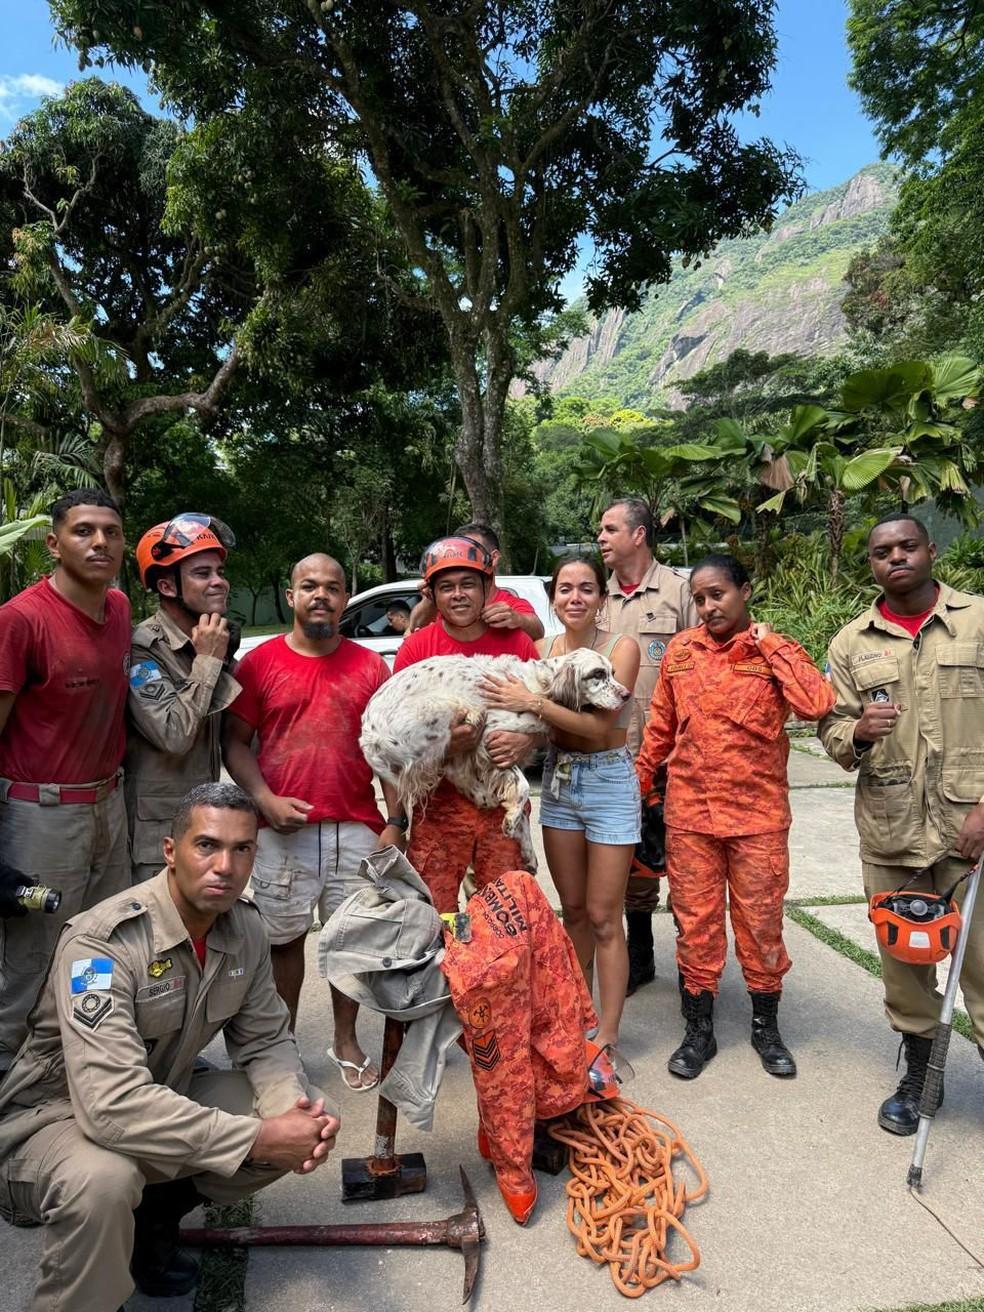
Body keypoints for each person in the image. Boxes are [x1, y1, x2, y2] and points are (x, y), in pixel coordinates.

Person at [0, 782, 339, 1312]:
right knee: (104, 1182)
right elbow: (110, 1105)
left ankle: (150, 1221)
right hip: (52, 1121)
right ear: (170, 851)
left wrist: (287, 1117)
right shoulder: (101, 945)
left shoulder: (244, 927)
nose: (224, 866)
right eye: (206, 845)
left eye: (241, 849)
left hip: (157, 1096)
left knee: (312, 1113)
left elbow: (267, 1039)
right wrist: (255, 1139)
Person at [637, 554, 835, 1080]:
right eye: (699, 598)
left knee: (761, 925)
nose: (707, 607)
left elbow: (817, 702)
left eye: (717, 594)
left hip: (758, 818)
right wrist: (638, 789)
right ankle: (698, 1030)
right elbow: (659, 728)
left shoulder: (775, 649)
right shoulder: (681, 651)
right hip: (690, 818)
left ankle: (766, 1026)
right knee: (695, 926)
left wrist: (768, 643)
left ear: (745, 591)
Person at [819, 513, 984, 1134]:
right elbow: (831, 729)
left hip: (972, 827)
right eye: (882, 551)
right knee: (906, 961)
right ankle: (923, 1073)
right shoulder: (851, 643)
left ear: (930, 551)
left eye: (907, 546)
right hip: (892, 832)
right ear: (871, 563)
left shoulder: (978, 620)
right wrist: (855, 732)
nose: (896, 558)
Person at [223, 553, 406, 1091]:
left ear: (346, 597)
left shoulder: (371, 667)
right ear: (291, 596)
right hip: (282, 831)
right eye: (309, 586)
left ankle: (346, 1040)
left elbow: (389, 749)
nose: (320, 595)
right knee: (283, 944)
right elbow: (234, 742)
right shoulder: (260, 664)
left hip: (356, 827)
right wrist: (264, 801)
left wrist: (396, 820)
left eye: (332, 586)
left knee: (350, 943)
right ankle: (282, 1050)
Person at [481, 556, 641, 1051]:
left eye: (587, 589)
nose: (576, 598)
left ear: (602, 597)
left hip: (610, 782)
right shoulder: (541, 650)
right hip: (560, 781)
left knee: (603, 915)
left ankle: (609, 1034)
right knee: (571, 911)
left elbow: (600, 724)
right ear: (553, 598)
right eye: (566, 589)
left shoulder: (622, 649)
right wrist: (525, 739)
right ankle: (576, 1017)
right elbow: (541, 728)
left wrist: (533, 705)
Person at [0, 488, 131, 1066]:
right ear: (54, 544)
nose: (100, 541)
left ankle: (86, 1064)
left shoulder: (121, 610)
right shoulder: (21, 620)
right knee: (34, 955)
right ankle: (11, 1078)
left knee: (101, 947)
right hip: (40, 815)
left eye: (111, 531)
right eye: (83, 531)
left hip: (109, 804)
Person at [394, 535, 540, 913]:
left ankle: (496, 975)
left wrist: (527, 741)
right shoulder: (417, 649)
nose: (458, 595)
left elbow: (540, 713)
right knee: (434, 916)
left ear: (487, 588)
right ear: (433, 595)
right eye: (446, 587)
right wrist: (444, 743)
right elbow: (399, 735)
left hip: (500, 805)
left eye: (467, 584)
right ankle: (447, 973)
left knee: (503, 917)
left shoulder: (517, 642)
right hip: (438, 808)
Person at [597, 497, 698, 995]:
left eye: (610, 529)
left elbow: (706, 664)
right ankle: (640, 958)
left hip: (675, 760)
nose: (601, 538)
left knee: (684, 864)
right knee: (631, 865)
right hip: (616, 758)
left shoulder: (682, 592)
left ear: (638, 535)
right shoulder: (598, 599)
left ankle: (694, 965)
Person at [126, 513, 242, 881]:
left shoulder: (211, 638)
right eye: (202, 573)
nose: (219, 582)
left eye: (220, 572)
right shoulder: (143, 648)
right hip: (157, 834)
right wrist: (208, 660)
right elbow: (174, 734)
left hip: (204, 822)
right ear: (167, 586)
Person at [408, 522, 545, 641]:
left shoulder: (509, 604)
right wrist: (431, 598)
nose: (458, 595)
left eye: (471, 552)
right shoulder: (443, 604)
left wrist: (517, 619)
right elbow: (413, 629)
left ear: (494, 558)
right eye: (458, 550)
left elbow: (538, 631)